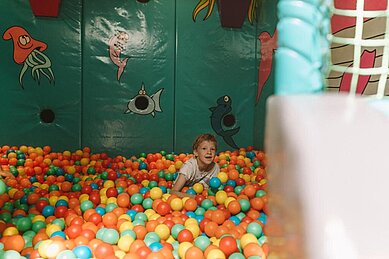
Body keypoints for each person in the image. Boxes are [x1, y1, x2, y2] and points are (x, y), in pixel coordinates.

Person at [171, 133, 220, 198]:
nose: (209, 152)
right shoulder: (189, 167)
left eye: (212, 149)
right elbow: (173, 192)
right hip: (186, 194)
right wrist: (195, 198)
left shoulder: (215, 168)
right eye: (204, 148)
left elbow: (211, 190)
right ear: (196, 152)